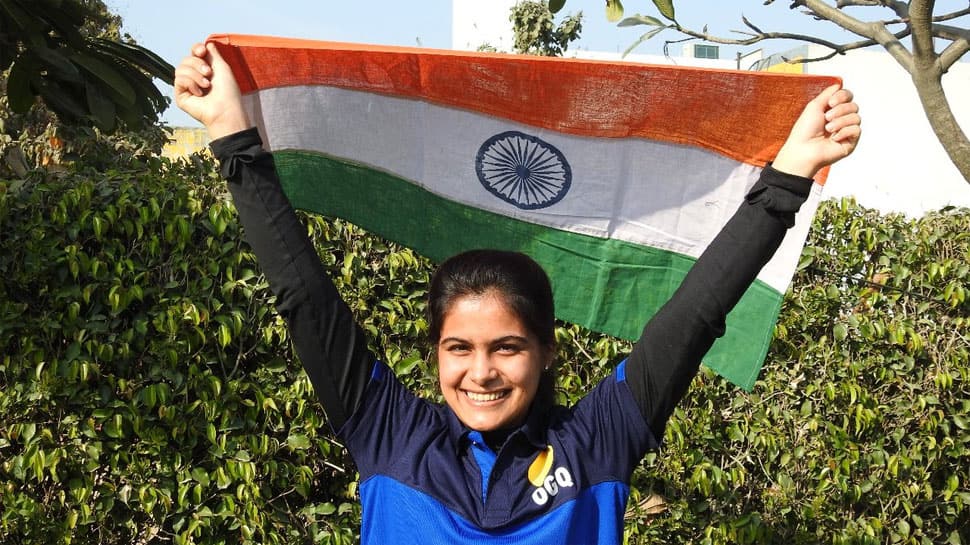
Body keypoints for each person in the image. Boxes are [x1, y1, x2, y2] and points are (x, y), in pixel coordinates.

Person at [175, 42, 860, 544]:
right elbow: (304, 295)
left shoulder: (597, 441)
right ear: (436, 352)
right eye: (459, 347)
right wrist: (230, 135)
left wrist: (789, 175)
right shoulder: (389, 434)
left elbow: (695, 315)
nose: (481, 371)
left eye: (507, 346)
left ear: (546, 351)